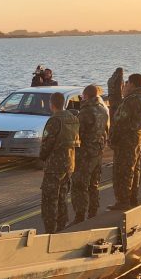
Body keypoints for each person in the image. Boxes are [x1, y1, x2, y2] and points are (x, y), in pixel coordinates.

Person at [109, 73, 141, 210]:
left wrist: (113, 138)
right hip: (137, 136)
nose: (125, 85)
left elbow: (120, 121)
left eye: (127, 83)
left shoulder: (131, 100)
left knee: (123, 170)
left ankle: (123, 200)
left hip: (126, 139)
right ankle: (132, 197)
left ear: (132, 84)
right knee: (134, 168)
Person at [38, 92, 80, 234]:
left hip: (54, 165)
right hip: (69, 164)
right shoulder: (73, 118)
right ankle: (62, 226)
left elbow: (47, 144)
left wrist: (42, 157)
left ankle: (50, 231)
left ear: (52, 104)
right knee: (62, 197)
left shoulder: (54, 120)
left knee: (50, 199)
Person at [71, 84, 110, 223]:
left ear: (86, 96)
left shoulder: (86, 111)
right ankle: (93, 211)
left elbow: (77, 133)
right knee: (94, 183)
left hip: (85, 154)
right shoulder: (103, 109)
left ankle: (80, 215)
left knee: (79, 184)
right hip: (98, 151)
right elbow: (106, 130)